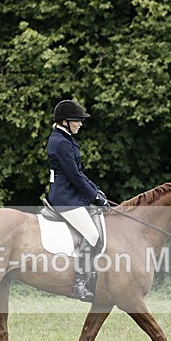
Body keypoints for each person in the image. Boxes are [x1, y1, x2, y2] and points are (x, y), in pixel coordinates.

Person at [46, 99, 108, 302]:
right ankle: (79, 283)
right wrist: (94, 197)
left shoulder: (64, 139)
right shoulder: (62, 142)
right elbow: (75, 177)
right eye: (77, 120)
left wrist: (97, 192)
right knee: (92, 234)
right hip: (65, 198)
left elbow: (79, 173)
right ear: (65, 121)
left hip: (69, 194)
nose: (80, 124)